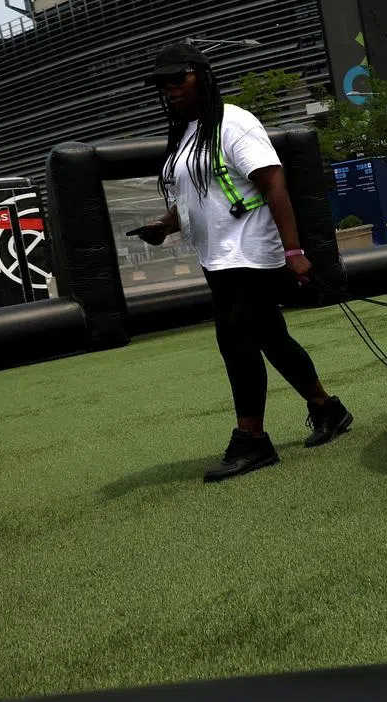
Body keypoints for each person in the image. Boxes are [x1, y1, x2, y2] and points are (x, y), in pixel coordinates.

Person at [130, 41, 352, 483]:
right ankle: (328, 409)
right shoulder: (187, 133)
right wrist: (165, 224)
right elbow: (197, 197)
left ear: (203, 76)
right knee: (271, 337)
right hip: (218, 256)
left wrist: (293, 252)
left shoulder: (234, 122)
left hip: (247, 253)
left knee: (236, 340)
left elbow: (273, 184)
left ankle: (252, 440)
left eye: (178, 79)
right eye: (162, 84)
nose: (170, 89)